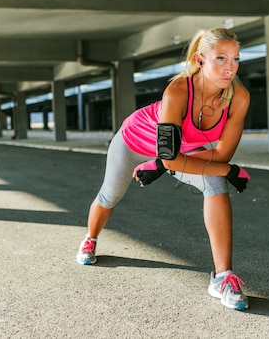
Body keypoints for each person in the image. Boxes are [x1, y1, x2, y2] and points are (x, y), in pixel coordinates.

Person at [75, 27, 252, 310]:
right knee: (110, 195)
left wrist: (220, 169)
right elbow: (177, 160)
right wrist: (229, 171)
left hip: (174, 153)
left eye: (235, 59)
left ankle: (222, 277)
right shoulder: (179, 91)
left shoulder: (238, 97)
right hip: (132, 141)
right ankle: (90, 239)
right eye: (221, 58)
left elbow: (221, 154)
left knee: (215, 185)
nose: (230, 68)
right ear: (200, 60)